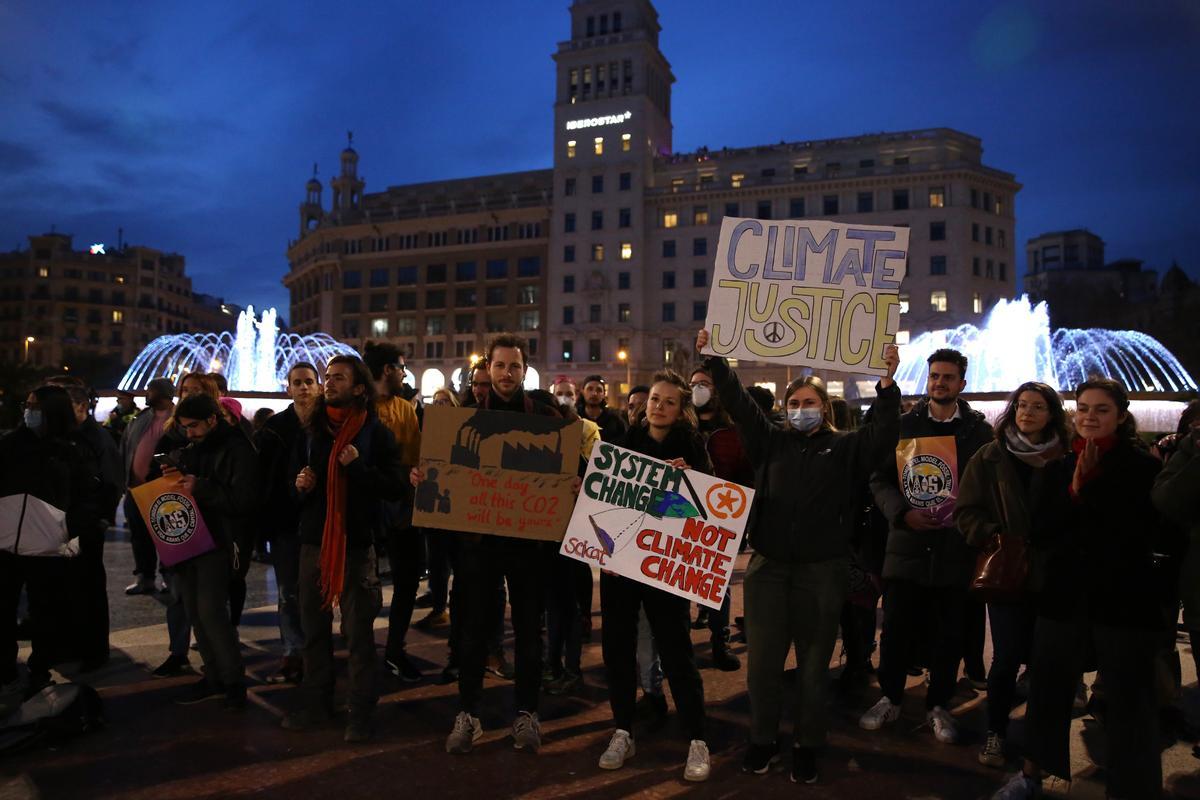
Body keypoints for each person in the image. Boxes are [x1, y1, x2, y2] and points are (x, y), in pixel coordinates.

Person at [698, 330, 901, 784]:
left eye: (809, 403)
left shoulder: (847, 447)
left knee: (813, 666)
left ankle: (808, 745)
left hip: (821, 570)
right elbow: (738, 401)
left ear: (824, 409)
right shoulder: (771, 441)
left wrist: (887, 384)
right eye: (793, 404)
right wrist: (714, 358)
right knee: (763, 665)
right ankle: (763, 740)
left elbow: (884, 434)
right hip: (769, 568)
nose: (800, 410)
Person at [992, 378, 1167, 799]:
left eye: (1101, 410)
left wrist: (1094, 490)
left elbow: (1143, 531)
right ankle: (1031, 775)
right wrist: (1075, 488)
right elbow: (1042, 529)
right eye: (1084, 408)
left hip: (1122, 598)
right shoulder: (1056, 467)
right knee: (1048, 690)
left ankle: (1133, 786)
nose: (1090, 416)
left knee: (1129, 698)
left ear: (1121, 416)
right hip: (1064, 596)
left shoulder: (1142, 467)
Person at [419, 334, 561, 755]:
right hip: (478, 547)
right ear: (488, 370)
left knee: (530, 634)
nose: (506, 374)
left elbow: (575, 466)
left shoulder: (549, 417)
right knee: (472, 631)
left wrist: (573, 477)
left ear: (524, 370)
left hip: (528, 545)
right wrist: (424, 478)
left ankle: (526, 713)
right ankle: (468, 714)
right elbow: (441, 475)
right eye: (500, 367)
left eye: (514, 367)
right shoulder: (462, 418)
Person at [861, 348, 993, 745]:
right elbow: (878, 478)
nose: (940, 382)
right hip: (907, 546)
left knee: (949, 633)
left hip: (954, 549)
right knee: (897, 629)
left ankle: (938, 704)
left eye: (948, 377)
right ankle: (890, 697)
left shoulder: (978, 432)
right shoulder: (904, 425)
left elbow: (986, 486)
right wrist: (900, 513)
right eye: (935, 376)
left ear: (961, 384)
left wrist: (970, 520)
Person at [595, 369, 714, 781]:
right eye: (654, 400)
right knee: (618, 647)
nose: (658, 406)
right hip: (623, 566)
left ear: (681, 411)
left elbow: (710, 514)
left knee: (676, 649)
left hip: (667, 568)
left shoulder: (694, 450)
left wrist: (691, 483)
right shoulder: (622, 446)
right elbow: (604, 504)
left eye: (668, 401)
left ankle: (697, 739)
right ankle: (623, 729)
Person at [284, 355, 404, 743]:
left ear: (358, 388)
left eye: (338, 378)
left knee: (358, 634)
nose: (329, 383)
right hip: (314, 542)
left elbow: (395, 486)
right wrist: (300, 486)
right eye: (328, 377)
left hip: (355, 544)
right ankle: (317, 703)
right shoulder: (311, 430)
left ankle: (360, 712)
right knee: (313, 630)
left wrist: (357, 468)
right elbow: (293, 486)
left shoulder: (374, 432)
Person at [956, 382, 1070, 769]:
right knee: (1005, 658)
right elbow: (965, 512)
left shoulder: (1067, 457)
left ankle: (1040, 742)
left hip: (1055, 574)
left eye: (1038, 407)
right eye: (1021, 405)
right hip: (1008, 573)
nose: (1027, 412)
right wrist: (992, 534)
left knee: (1045, 661)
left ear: (1052, 414)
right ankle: (996, 731)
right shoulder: (990, 456)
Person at [1, 385, 102, 693]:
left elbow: (90, 496)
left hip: (48, 548)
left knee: (46, 612)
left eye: (36, 407)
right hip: (5, 545)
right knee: (3, 608)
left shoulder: (72, 450)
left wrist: (67, 527)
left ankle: (40, 667)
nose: (28, 411)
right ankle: (5, 670)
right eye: (27, 405)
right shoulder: (9, 445)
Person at [162, 393, 258, 709]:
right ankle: (213, 675)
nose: (188, 433)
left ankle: (233, 682)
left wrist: (199, 486)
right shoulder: (193, 449)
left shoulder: (237, 449)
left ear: (212, 420)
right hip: (191, 539)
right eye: (184, 427)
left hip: (220, 541)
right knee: (194, 611)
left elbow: (243, 501)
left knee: (211, 613)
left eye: (193, 426)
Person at [44, 376, 122, 670]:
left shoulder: (97, 439)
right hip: (59, 523)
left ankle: (93, 650)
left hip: (85, 524)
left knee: (87, 587)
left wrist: (102, 518)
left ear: (79, 406)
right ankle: (69, 645)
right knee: (64, 586)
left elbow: (112, 482)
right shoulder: (63, 435)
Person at [255, 362, 321, 685]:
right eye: (298, 382)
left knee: (318, 592)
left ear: (318, 386)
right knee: (288, 592)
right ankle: (293, 651)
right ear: (289, 389)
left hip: (321, 523)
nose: (304, 388)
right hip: (286, 524)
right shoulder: (275, 429)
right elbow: (264, 480)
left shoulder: (330, 424)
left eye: (309, 382)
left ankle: (317, 652)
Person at [362, 341, 424, 683]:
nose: (404, 373)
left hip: (400, 509)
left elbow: (415, 460)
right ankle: (362, 647)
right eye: (401, 367)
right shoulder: (359, 407)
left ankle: (395, 649)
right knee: (362, 584)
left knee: (407, 581)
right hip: (367, 510)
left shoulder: (405, 408)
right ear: (388, 369)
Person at [688, 364, 754, 672]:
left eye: (705, 384)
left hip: (720, 521)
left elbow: (746, 479)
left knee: (717, 586)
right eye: (694, 384)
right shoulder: (681, 428)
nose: (698, 389)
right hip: (681, 518)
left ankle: (720, 641)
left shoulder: (734, 433)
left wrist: (740, 524)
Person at [536, 384, 596, 695]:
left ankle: (570, 668)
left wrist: (580, 484)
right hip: (541, 541)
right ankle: (553, 665)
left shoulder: (570, 446)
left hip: (566, 540)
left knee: (566, 607)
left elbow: (594, 485)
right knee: (552, 608)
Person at [119, 377, 176, 594]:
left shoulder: (177, 419)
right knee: (139, 534)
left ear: (161, 393)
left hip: (163, 487)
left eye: (150, 391)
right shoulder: (140, 418)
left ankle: (169, 577)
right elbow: (125, 446)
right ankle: (145, 577)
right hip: (135, 488)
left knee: (166, 533)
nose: (146, 394)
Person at [579, 375, 628, 443]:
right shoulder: (576, 418)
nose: (594, 393)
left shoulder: (615, 419)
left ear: (604, 394)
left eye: (599, 390)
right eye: (590, 389)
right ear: (583, 392)